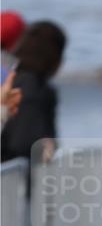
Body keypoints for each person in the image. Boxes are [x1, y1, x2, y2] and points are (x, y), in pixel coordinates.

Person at [0, 20, 66, 165]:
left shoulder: (10, 79)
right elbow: (24, 144)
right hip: (14, 181)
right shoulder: (34, 89)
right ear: (54, 56)